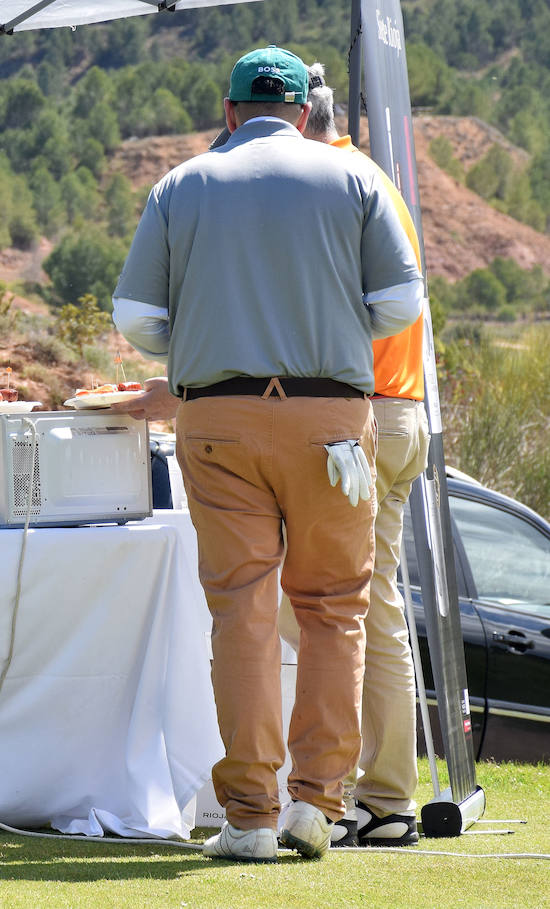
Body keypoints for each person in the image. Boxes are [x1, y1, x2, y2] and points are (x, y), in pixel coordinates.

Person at [112, 45, 424, 862]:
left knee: (241, 611)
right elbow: (400, 302)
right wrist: (327, 327)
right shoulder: (354, 178)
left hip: (218, 418)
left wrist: (205, 333)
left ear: (229, 113)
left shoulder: (181, 184)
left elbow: (136, 316)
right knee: (334, 608)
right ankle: (316, 805)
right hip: (331, 418)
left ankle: (247, 815)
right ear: (301, 111)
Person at [275, 62, 430, 848]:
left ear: (300, 121)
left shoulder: (337, 183)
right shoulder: (368, 177)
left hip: (366, 418)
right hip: (397, 413)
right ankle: (384, 790)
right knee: (368, 612)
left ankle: (385, 796)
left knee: (349, 616)